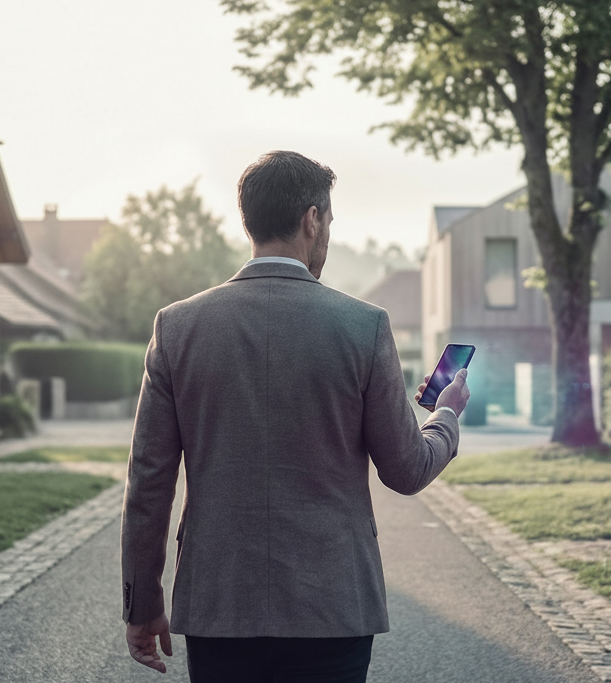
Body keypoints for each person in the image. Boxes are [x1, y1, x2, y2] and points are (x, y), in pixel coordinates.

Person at [120, 150, 470, 682]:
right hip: (333, 606)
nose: (326, 233)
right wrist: (445, 414)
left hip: (220, 605)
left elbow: (148, 481)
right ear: (312, 220)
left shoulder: (177, 327)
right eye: (328, 221)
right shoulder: (363, 326)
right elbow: (407, 469)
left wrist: (142, 602)